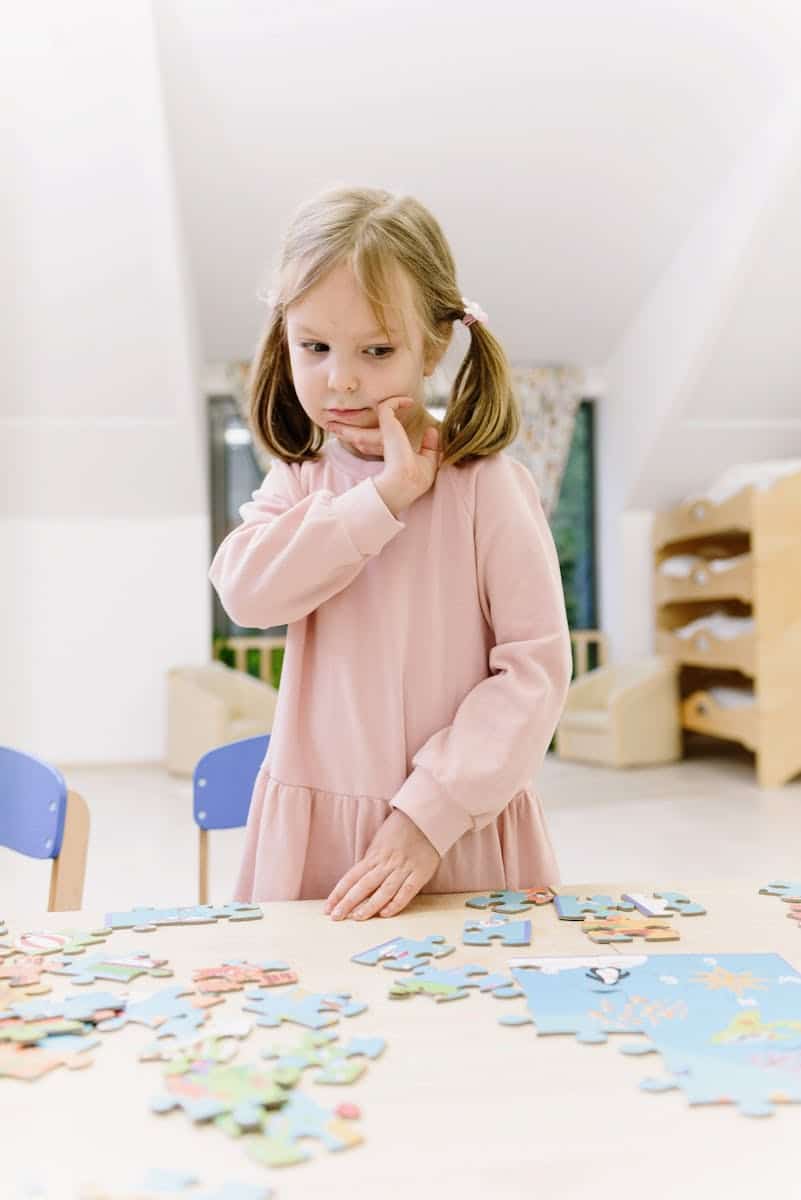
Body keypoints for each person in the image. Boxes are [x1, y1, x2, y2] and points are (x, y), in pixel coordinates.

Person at [209, 184, 573, 921]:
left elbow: (533, 672)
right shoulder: (299, 479)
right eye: (313, 346)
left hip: (454, 831)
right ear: (284, 336)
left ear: (433, 345)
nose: (339, 377)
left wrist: (424, 820)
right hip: (315, 833)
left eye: (375, 350)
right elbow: (246, 595)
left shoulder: (489, 487)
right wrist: (380, 500)